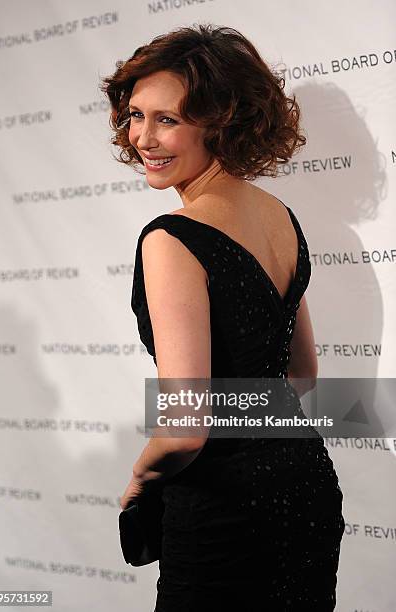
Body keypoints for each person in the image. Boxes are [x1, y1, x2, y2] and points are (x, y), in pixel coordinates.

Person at [100, 24, 345, 612]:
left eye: (168, 119)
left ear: (221, 120)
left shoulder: (171, 238)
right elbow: (302, 378)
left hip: (223, 514)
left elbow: (185, 427)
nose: (143, 139)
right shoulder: (277, 215)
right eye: (136, 115)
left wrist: (140, 476)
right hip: (304, 489)